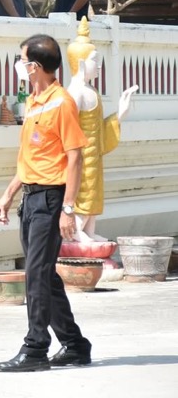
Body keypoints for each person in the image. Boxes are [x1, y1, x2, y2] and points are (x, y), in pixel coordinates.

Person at [0, 34, 91, 372]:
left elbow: (75, 157)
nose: (19, 65)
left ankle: (35, 348)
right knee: (43, 275)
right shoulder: (34, 101)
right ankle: (75, 345)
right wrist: (8, 194)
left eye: (22, 60)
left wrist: (68, 208)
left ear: (34, 66)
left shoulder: (62, 103)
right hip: (31, 197)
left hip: (51, 199)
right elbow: (31, 158)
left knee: (36, 274)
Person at [65, 19, 136, 241]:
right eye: (95, 61)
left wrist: (120, 113)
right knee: (83, 191)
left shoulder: (91, 90)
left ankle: (88, 230)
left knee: (94, 191)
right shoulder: (75, 91)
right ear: (82, 63)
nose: (99, 66)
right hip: (80, 156)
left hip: (93, 154)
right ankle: (76, 231)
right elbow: (68, 126)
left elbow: (97, 127)